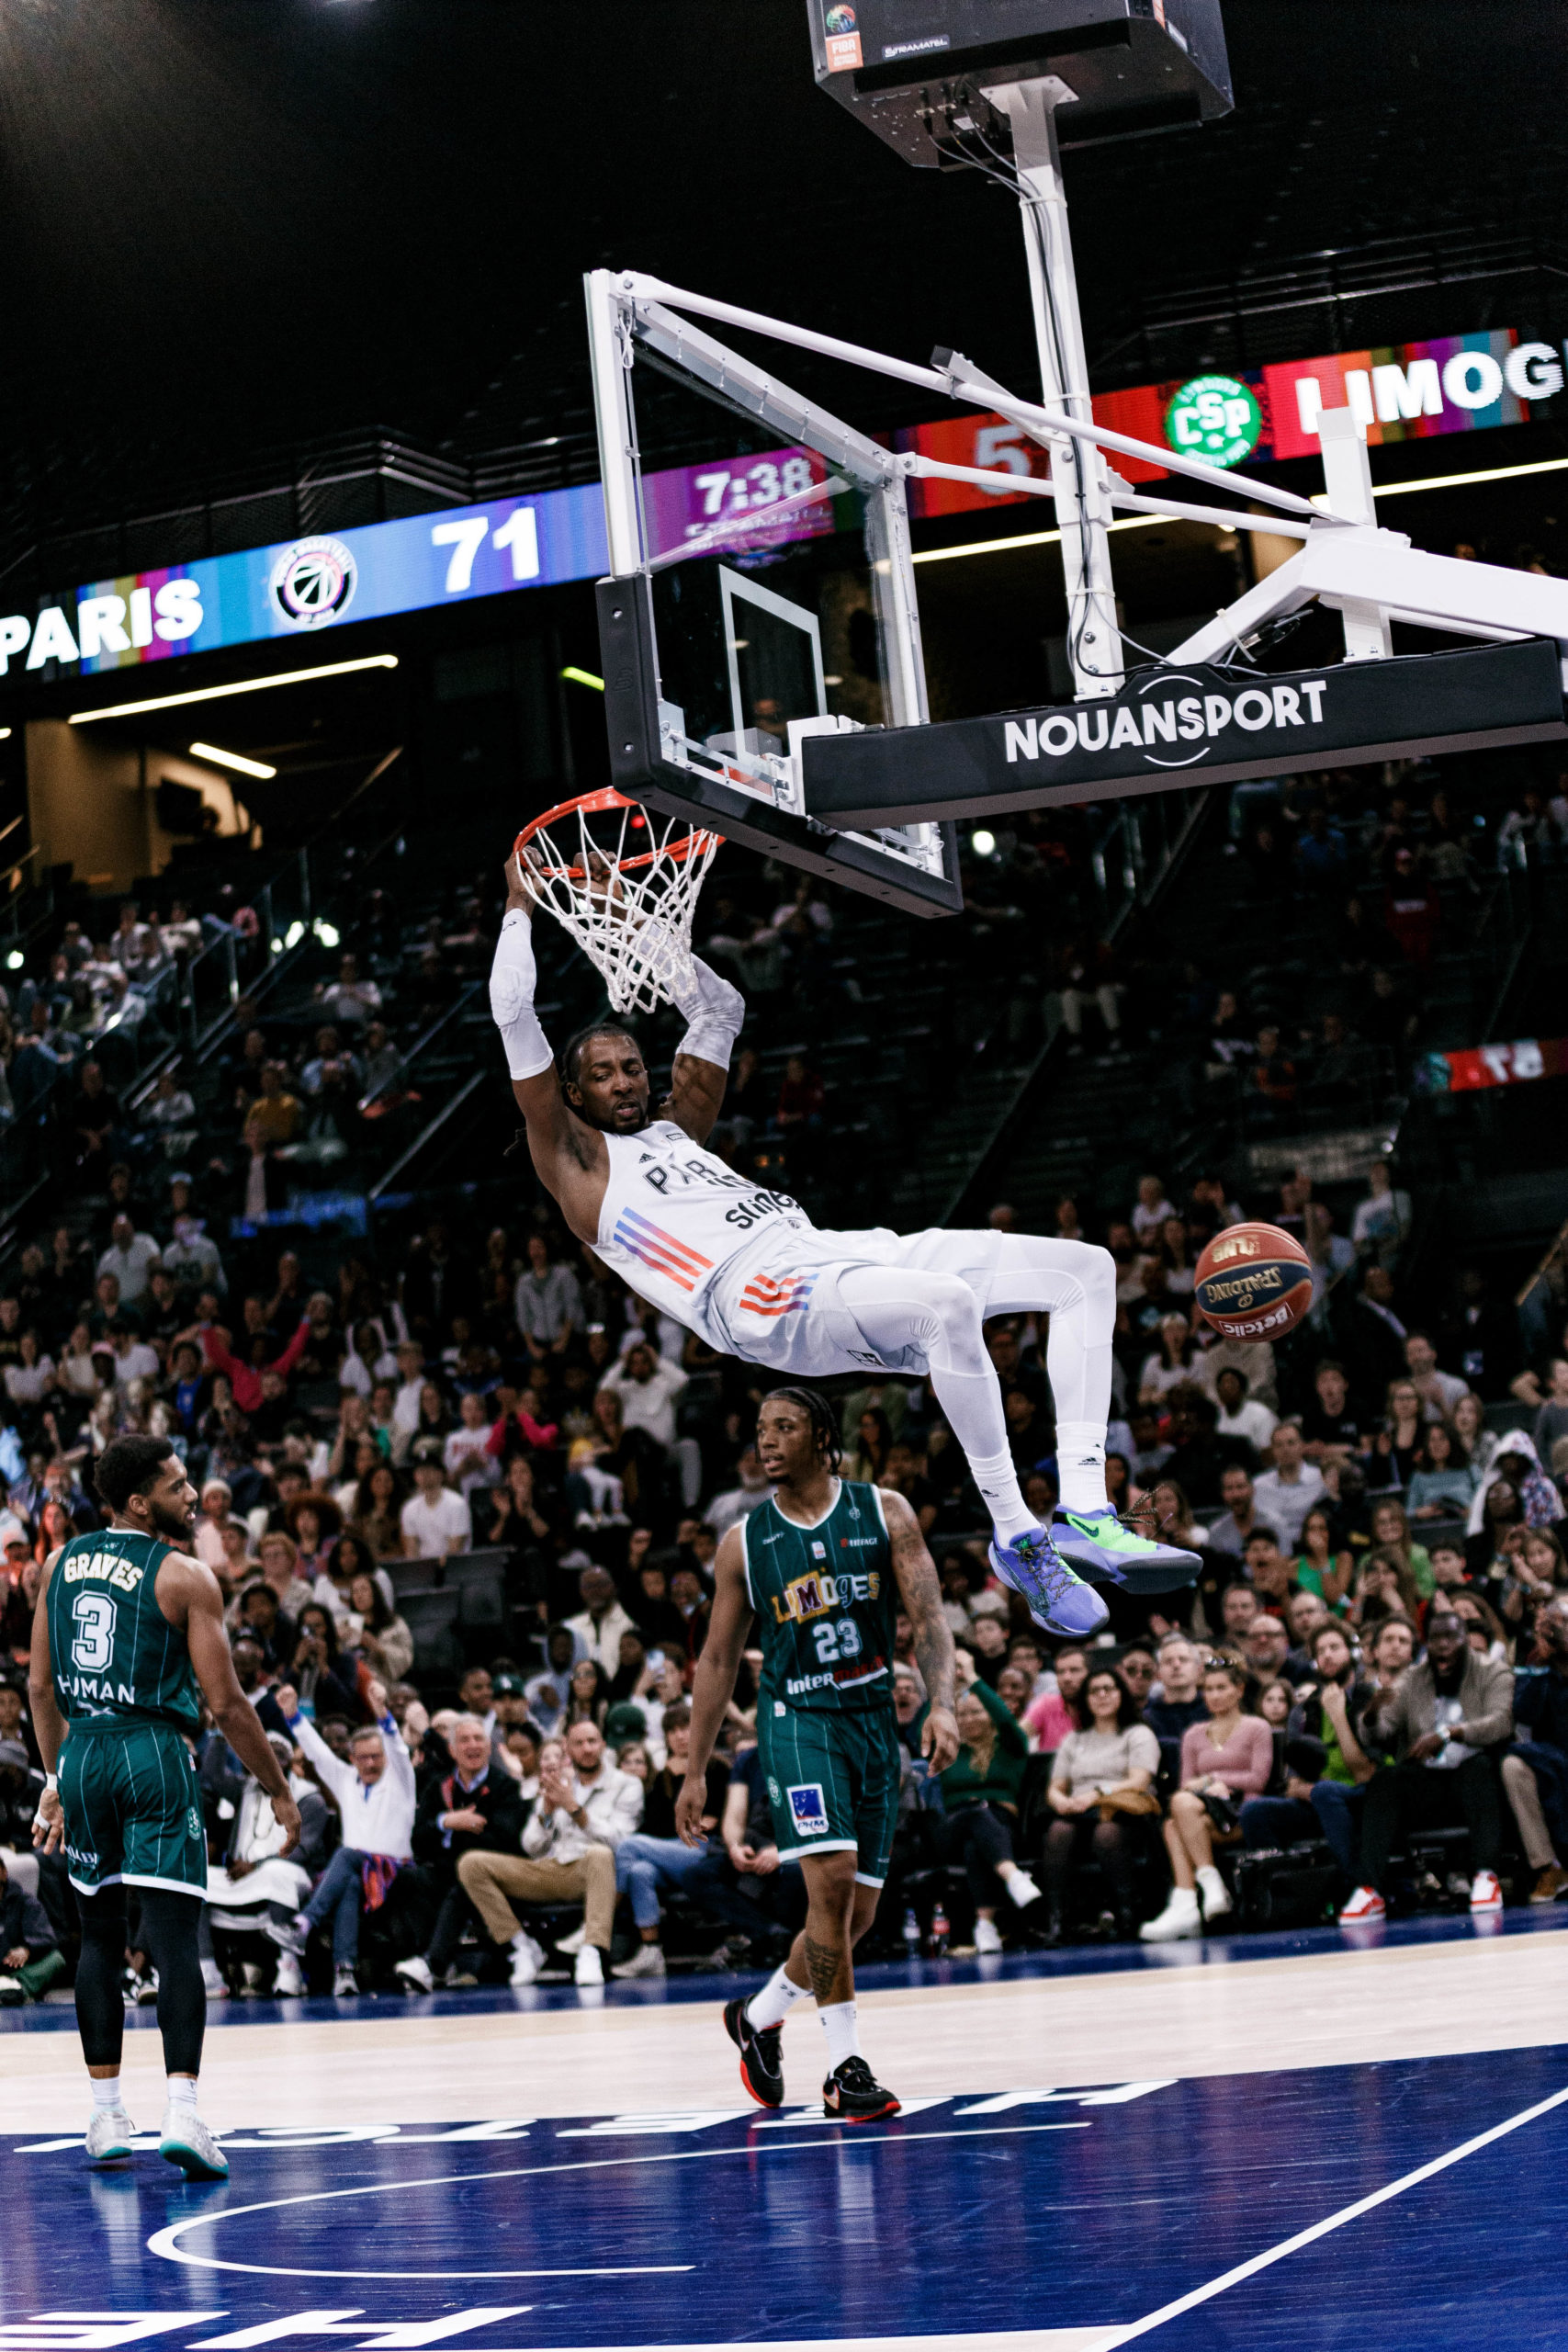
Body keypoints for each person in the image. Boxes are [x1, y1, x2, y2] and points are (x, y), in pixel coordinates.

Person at [490, 857, 1199, 1639]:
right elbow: (513, 1011)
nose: (624, 1080)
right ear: (572, 1092)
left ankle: (1086, 1512)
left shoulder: (672, 1130)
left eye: (631, 1066)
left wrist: (637, 925)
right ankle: (1014, 1535)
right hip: (751, 1295)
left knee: (1084, 1272)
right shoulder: (573, 1160)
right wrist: (522, 907)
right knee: (949, 1307)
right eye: (602, 1073)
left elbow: (719, 1009)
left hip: (821, 1249)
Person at [674, 1385, 958, 2121]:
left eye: (784, 1427)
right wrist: (694, 1770)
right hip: (797, 1719)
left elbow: (928, 1619)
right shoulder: (744, 1542)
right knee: (826, 1886)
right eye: (760, 1427)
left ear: (821, 1436)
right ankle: (843, 2069)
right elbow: (715, 1659)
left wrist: (944, 1705)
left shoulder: (883, 1512)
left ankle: (758, 2015)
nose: (766, 1440)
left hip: (869, 1721)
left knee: (854, 1919)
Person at [28, 1433, 299, 2177]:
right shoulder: (184, 1576)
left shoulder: (57, 1564)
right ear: (141, 1502)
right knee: (176, 1940)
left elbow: (40, 1690)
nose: (192, 1496)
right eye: (179, 1487)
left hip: (83, 1753)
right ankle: (183, 2112)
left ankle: (105, 2118)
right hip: (153, 1750)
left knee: (98, 1936)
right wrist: (276, 1786)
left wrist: (58, 1780)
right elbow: (226, 1702)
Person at [1338, 1609, 1513, 1925]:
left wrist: (1449, 1733)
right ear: (1426, 1644)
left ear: (1465, 1641)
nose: (1443, 1645)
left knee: (1481, 1766)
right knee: (1387, 1778)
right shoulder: (1413, 1678)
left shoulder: (1492, 1672)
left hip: (1474, 1783)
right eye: (1435, 1639)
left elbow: (1500, 1722)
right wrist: (1371, 1716)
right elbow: (1383, 1731)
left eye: (1451, 1637)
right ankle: (1369, 1890)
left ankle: (1486, 1876)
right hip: (1428, 1783)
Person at [458, 1719, 641, 1985]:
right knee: (471, 1863)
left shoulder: (626, 1784)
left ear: (603, 1745)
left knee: (600, 1855)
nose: (587, 1748)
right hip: (550, 1868)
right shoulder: (560, 1782)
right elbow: (531, 1845)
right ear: (567, 1749)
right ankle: (521, 1946)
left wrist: (575, 1810)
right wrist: (546, 1810)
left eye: (592, 1742)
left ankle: (591, 1950)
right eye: (579, 1743)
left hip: (594, 1872)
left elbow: (620, 1842)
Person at [274, 1675, 417, 1994]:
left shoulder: (401, 1781)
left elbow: (397, 1748)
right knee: (350, 1877)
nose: (370, 1763)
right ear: (352, 1758)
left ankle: (304, 1923)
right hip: (355, 1873)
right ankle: (345, 1971)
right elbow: (318, 1754)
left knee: (348, 1854)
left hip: (394, 1873)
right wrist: (292, 1716)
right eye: (363, 1757)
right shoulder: (345, 1779)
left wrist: (382, 1713)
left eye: (376, 1757)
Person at [1140, 1657, 1271, 1941]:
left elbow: (1258, 1779)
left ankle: (1190, 1898)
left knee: (1175, 1821)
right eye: (1208, 1689)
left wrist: (1215, 1780)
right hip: (1205, 1817)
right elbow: (1186, 1786)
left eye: (1221, 1688)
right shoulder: (1193, 1735)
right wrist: (1203, 1786)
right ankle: (1203, 1890)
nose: (1213, 1695)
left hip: (1242, 1813)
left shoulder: (1257, 1727)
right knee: (1176, 1816)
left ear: (1239, 1689)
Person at [395, 1713, 528, 1994]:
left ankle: (433, 1964)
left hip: (492, 1874)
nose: (473, 1745)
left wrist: (451, 1836)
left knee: (467, 1876)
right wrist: (448, 1821)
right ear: (452, 1750)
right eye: (464, 1740)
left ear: (489, 1747)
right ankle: (429, 1955)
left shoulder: (506, 1787)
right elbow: (418, 1840)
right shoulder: (438, 1786)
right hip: (447, 1868)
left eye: (479, 1738)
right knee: (406, 1878)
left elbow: (505, 1838)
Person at [1043, 1665, 1160, 1944]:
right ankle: (1058, 1920)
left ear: (1121, 1694)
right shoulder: (1075, 1739)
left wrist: (1097, 1794)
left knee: (1106, 1833)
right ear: (1085, 1699)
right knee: (1058, 1830)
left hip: (1124, 1811)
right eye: (1094, 1691)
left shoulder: (1138, 1733)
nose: (1102, 1695)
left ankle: (1128, 1914)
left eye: (1109, 1688)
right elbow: (1056, 1787)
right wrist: (1060, 1801)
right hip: (1081, 1811)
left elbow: (1139, 1780)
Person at [939, 1674, 1041, 1953]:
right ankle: (1013, 1876)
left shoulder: (1009, 1748)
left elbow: (1007, 1720)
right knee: (975, 1813)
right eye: (961, 1714)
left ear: (989, 1712)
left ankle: (985, 1927)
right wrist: (946, 1685)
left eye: (976, 1711)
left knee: (977, 1844)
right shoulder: (948, 1750)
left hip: (1001, 1826)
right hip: (953, 1828)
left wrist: (974, 1679)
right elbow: (927, 1717)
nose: (968, 1719)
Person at [1502, 1595, 1568, 1905]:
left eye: (1566, 1624)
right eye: (1554, 1626)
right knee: (1513, 1765)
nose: (1559, 1633)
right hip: (1552, 1758)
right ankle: (1548, 1866)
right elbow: (1524, 1715)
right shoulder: (1533, 1661)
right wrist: (1540, 1666)